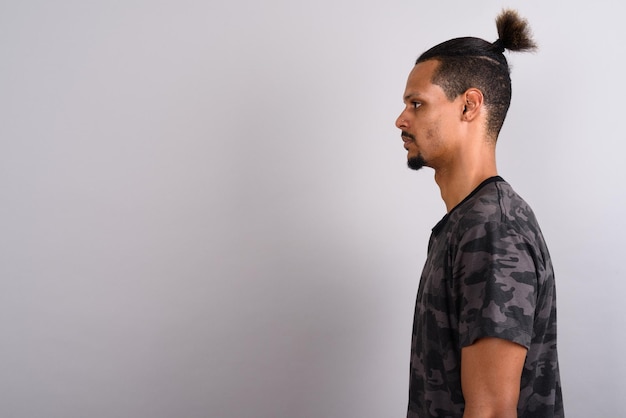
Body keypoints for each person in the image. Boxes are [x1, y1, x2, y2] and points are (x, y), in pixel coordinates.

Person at [396, 9, 564, 418]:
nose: (401, 119)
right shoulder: (467, 223)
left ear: (469, 105)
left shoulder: (492, 230)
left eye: (417, 104)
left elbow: (490, 411)